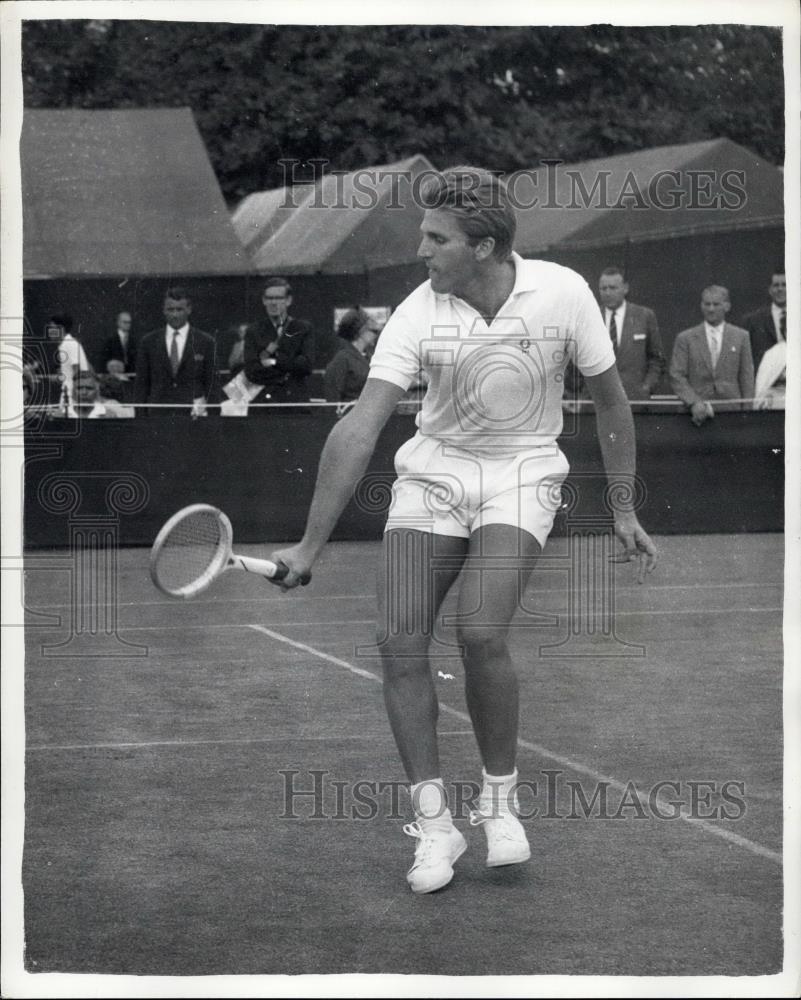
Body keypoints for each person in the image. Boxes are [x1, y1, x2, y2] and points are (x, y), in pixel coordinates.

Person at [269, 167, 657, 895]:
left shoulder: (564, 293)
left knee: (480, 631)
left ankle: (499, 807)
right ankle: (434, 825)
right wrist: (309, 544)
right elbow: (360, 426)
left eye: (435, 238)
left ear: (482, 247)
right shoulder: (417, 312)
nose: (420, 250)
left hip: (521, 472)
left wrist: (624, 508)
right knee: (399, 639)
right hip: (434, 474)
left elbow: (611, 405)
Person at [669, 285, 755, 425]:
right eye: (707, 304)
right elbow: (676, 375)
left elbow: (747, 377)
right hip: (694, 414)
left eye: (716, 304)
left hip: (732, 412)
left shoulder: (741, 336)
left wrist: (747, 413)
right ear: (701, 306)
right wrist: (694, 402)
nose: (711, 309)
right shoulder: (685, 338)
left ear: (727, 306)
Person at [134, 287, 216, 416]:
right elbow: (141, 385)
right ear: (163, 310)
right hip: (158, 415)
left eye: (179, 309)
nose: (175, 315)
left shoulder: (205, 341)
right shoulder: (148, 342)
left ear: (189, 309)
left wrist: (213, 418)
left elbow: (212, 383)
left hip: (194, 416)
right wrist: (140, 418)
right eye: (170, 309)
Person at [243, 278, 316, 403]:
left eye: (278, 298)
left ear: (288, 300)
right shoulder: (253, 331)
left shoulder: (303, 328)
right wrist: (289, 365)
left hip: (295, 402)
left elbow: (306, 366)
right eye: (269, 298)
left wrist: (273, 361)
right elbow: (251, 371)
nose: (273, 303)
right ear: (264, 301)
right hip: (265, 404)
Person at [597, 267, 665, 400]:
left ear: (625, 288)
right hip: (597, 401)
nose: (608, 293)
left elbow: (657, 359)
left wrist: (646, 388)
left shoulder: (644, 316)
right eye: (603, 289)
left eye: (613, 288)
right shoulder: (590, 317)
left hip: (634, 399)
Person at [323, 308, 382, 404]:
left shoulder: (367, 357)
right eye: (374, 331)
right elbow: (332, 399)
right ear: (361, 332)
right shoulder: (342, 358)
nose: (376, 336)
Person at [47, 313, 92, 415]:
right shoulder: (65, 345)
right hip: (69, 394)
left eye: (51, 328)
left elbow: (77, 372)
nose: (49, 331)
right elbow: (68, 376)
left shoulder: (69, 344)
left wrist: (74, 399)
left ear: (61, 329)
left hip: (73, 397)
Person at [743, 270, 786, 372]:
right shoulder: (753, 321)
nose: (780, 289)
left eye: (784, 285)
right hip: (765, 382)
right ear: (770, 290)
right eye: (776, 285)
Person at [71, 371, 135, 418]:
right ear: (73, 391)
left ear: (97, 391)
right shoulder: (63, 414)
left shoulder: (109, 415)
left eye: (89, 388)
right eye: (79, 388)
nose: (84, 392)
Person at [100, 311, 137, 376]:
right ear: (118, 323)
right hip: (114, 376)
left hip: (131, 375)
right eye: (125, 322)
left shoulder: (134, 340)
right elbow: (103, 360)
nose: (128, 325)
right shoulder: (109, 340)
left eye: (129, 322)